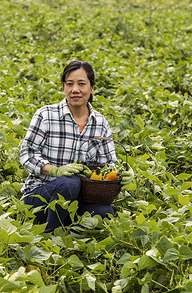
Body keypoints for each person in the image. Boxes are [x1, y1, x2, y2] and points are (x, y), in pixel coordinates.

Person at [20, 60, 134, 233]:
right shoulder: (46, 115)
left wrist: (123, 173)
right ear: (64, 87)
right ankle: (51, 234)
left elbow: (109, 164)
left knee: (105, 213)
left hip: (79, 197)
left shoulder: (100, 123)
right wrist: (54, 170)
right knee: (70, 182)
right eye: (69, 84)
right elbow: (26, 155)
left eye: (82, 84)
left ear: (92, 88)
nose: (75, 90)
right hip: (38, 197)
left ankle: (64, 222)